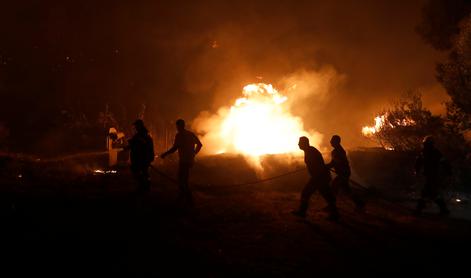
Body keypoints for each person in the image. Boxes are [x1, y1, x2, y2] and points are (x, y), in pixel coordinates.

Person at [292, 136, 339, 221]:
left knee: (306, 193)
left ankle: (302, 212)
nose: (298, 144)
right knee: (327, 195)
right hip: (320, 177)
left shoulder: (310, 152)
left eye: (300, 143)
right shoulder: (309, 150)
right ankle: (335, 214)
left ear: (304, 143)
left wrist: (315, 179)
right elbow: (315, 164)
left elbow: (317, 166)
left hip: (320, 177)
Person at [160, 119, 202, 206]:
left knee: (182, 179)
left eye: (177, 126)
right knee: (183, 178)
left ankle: (188, 198)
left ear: (179, 126)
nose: (177, 128)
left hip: (184, 160)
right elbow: (199, 144)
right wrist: (194, 153)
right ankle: (183, 196)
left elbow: (175, 148)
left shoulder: (179, 135)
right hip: (189, 159)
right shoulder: (190, 134)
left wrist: (165, 154)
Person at [326, 135, 365, 210]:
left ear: (336, 142)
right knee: (346, 190)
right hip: (343, 172)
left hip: (343, 173)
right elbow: (333, 162)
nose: (330, 142)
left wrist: (327, 166)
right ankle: (359, 203)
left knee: (334, 186)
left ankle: (331, 205)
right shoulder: (336, 151)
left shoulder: (339, 151)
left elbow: (335, 163)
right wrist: (327, 166)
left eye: (332, 140)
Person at [414, 136, 450, 216]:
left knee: (426, 192)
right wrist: (416, 170)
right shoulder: (425, 152)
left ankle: (419, 209)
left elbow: (444, 162)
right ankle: (444, 209)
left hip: (433, 175)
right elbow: (418, 161)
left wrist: (448, 172)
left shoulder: (435, 153)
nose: (425, 145)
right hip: (430, 175)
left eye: (426, 144)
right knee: (432, 193)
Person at [126, 119, 155, 192]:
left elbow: (140, 144)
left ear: (139, 126)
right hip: (142, 157)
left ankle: (144, 185)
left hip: (142, 157)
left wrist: (130, 145)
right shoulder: (142, 134)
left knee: (139, 171)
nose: (135, 127)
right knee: (142, 172)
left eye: (136, 126)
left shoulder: (142, 134)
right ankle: (144, 185)